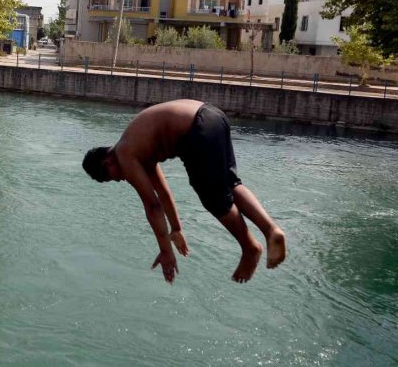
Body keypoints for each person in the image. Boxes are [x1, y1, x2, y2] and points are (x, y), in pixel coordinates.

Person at [82, 99, 286, 284]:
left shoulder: (124, 154)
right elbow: (163, 193)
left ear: (107, 163)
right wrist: (176, 229)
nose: (122, 178)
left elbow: (152, 206)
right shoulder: (138, 147)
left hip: (196, 131)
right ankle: (271, 230)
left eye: (115, 177)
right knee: (230, 185)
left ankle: (250, 247)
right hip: (213, 115)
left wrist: (166, 252)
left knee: (213, 199)